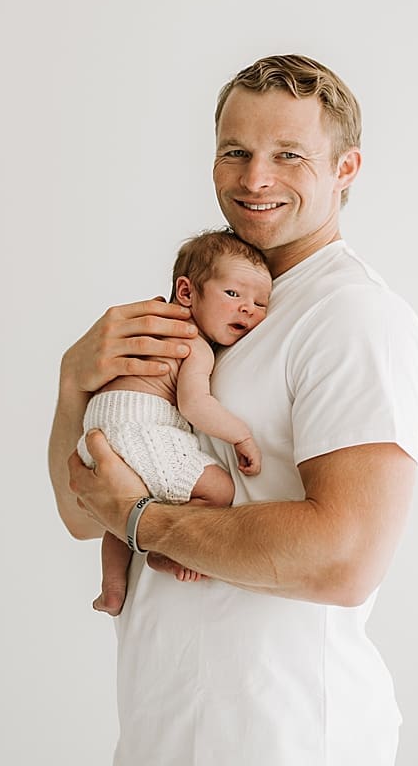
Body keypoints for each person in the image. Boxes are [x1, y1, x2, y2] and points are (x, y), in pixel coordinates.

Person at [47, 54, 418, 765]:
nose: (255, 179)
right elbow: (82, 512)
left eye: (289, 155)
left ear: (345, 169)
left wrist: (142, 521)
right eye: (236, 152)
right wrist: (74, 383)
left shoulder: (352, 318)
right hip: (165, 728)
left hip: (285, 736)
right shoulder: (209, 310)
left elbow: (346, 559)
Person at [77, 228, 272, 615]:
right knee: (219, 491)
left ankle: (112, 588)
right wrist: (241, 436)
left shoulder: (146, 327)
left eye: (260, 302)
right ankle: (167, 550)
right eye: (233, 294)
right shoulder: (193, 344)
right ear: (186, 292)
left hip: (97, 433)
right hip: (141, 430)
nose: (248, 308)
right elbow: (195, 404)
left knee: (118, 514)